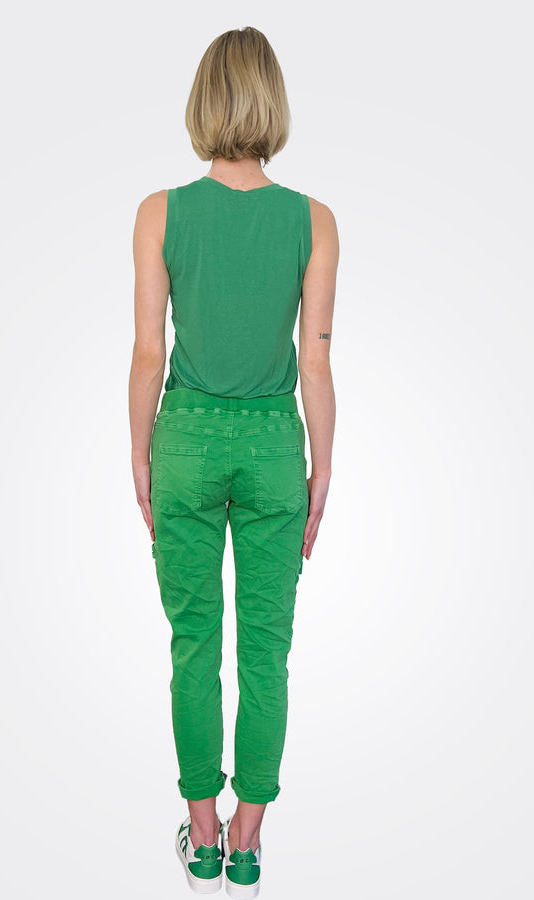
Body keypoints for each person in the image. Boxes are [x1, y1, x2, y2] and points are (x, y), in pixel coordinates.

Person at [129, 26, 338, 897]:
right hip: (273, 447)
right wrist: (321, 474)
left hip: (183, 438)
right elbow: (315, 361)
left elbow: (149, 351)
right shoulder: (314, 220)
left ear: (203, 101)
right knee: (265, 650)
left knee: (193, 645)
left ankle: (204, 833)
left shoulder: (160, 212)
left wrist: (139, 455)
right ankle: (249, 842)